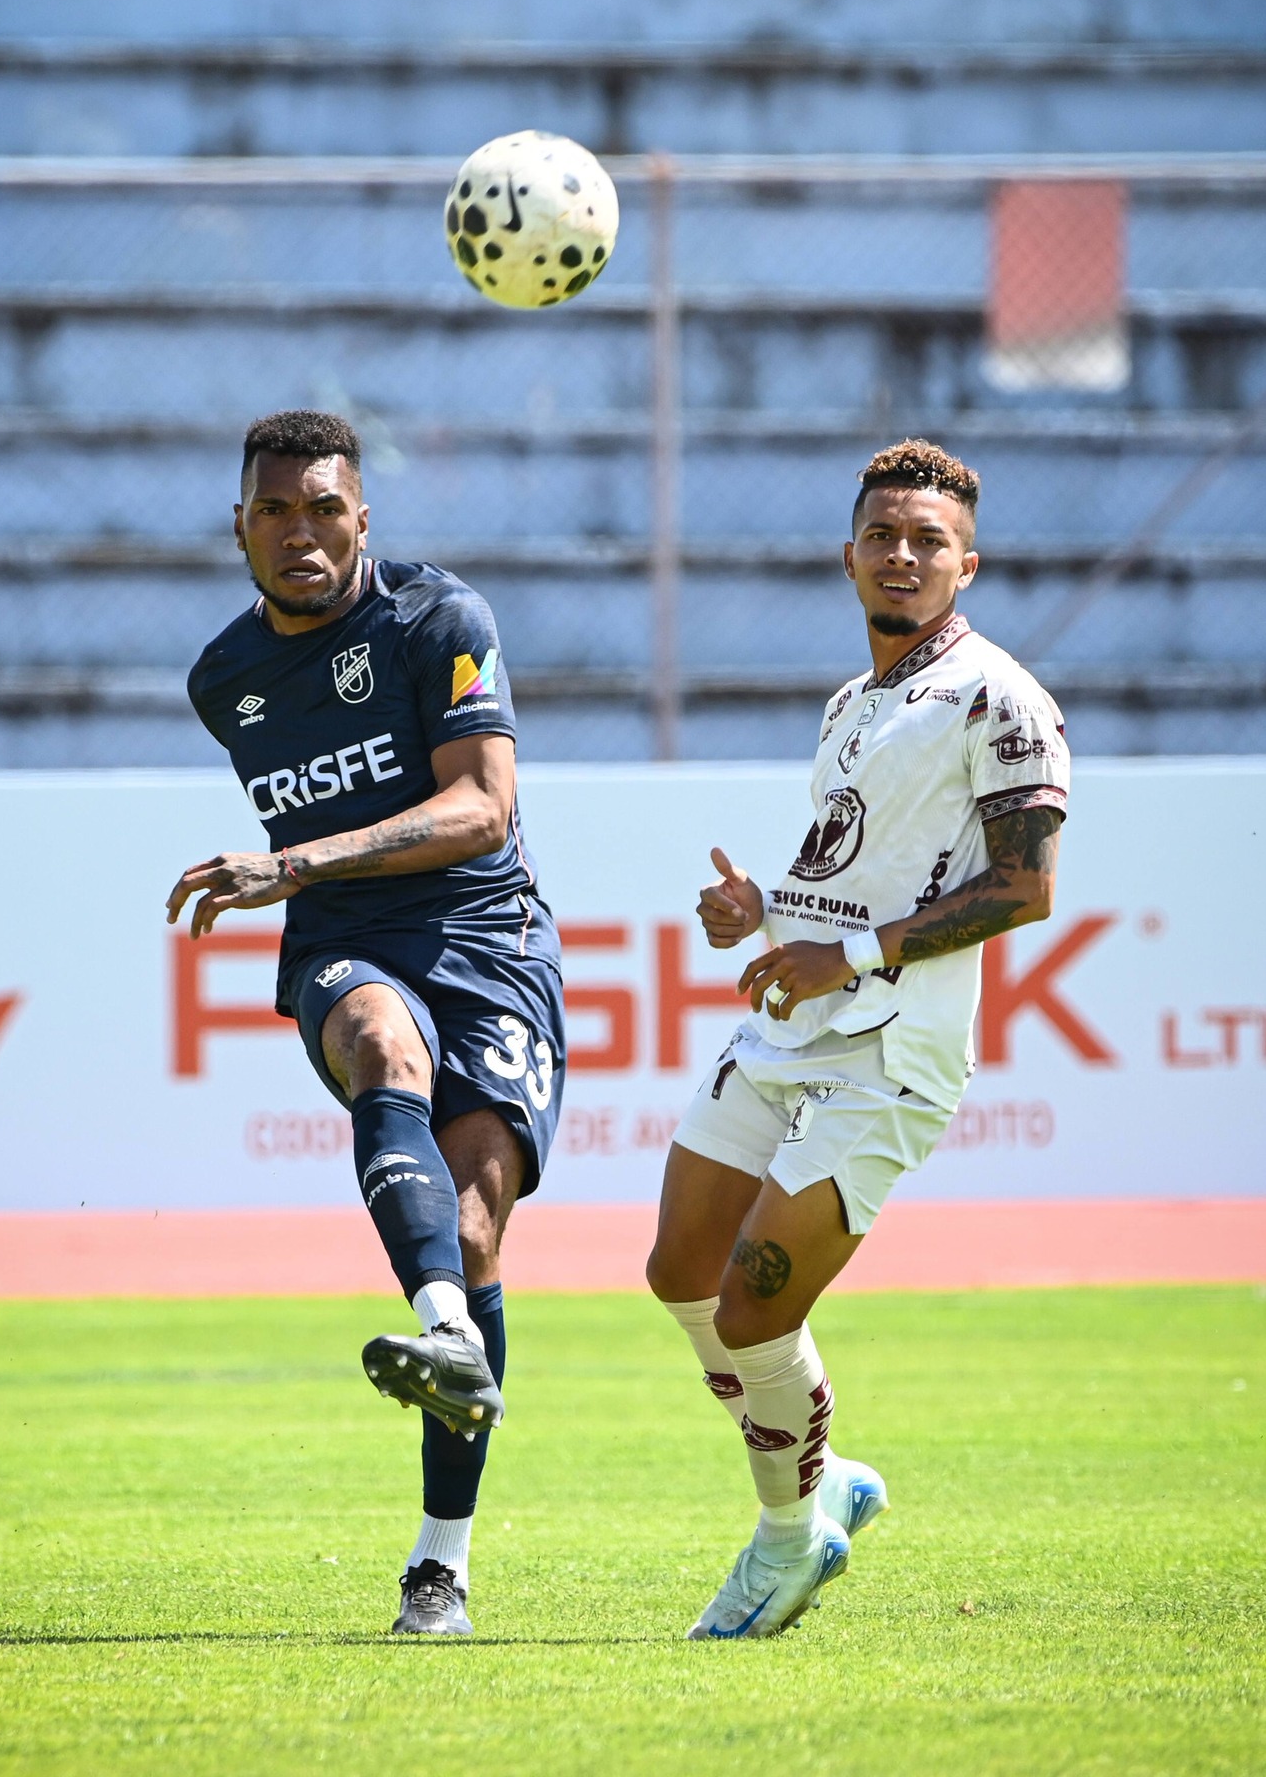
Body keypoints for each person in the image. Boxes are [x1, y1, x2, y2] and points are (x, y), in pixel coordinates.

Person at [646, 438, 1070, 1640]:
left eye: (926, 540)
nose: (901, 554)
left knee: (750, 1311)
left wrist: (856, 953)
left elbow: (1023, 888)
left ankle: (787, 1539)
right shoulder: (853, 701)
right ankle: (822, 1472)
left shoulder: (999, 697)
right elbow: (848, 874)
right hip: (796, 1024)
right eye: (881, 534)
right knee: (677, 1268)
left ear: (964, 563)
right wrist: (764, 912)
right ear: (848, 555)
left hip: (891, 1054)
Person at [167, 409, 565, 1638]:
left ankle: (439, 1560)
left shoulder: (438, 622)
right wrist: (308, 886)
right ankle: (442, 1328)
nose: (301, 532)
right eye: (275, 510)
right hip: (347, 944)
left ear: (362, 518)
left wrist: (289, 864)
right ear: (239, 526)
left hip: (487, 938)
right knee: (383, 1047)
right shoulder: (222, 680)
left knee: (480, 1219)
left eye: (324, 507)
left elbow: (483, 809)